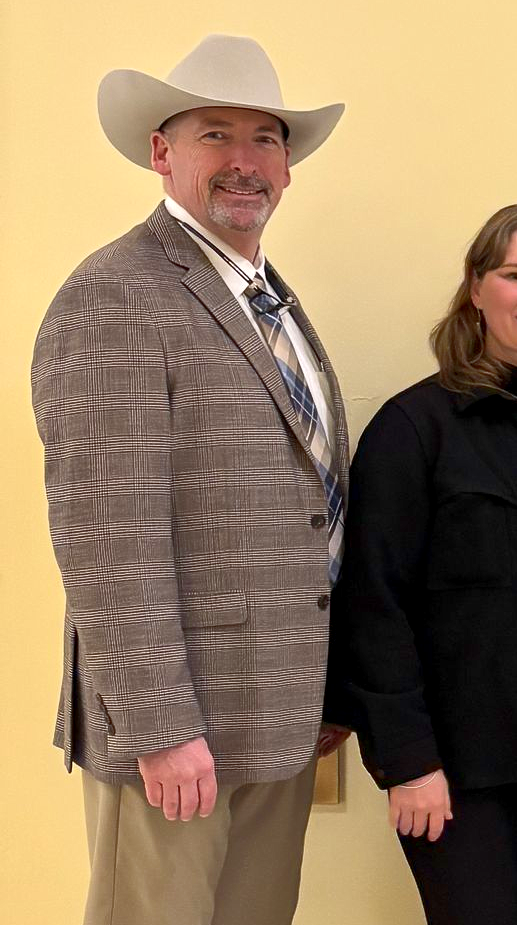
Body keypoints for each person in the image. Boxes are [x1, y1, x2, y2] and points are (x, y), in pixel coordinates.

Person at [30, 34, 349, 925]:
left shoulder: (268, 297)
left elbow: (303, 501)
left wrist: (322, 687)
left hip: (275, 715)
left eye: (266, 138)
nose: (244, 162)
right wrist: (162, 727)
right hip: (177, 733)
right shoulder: (115, 296)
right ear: (162, 153)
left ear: (287, 167)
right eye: (216, 134)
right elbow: (106, 538)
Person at [331, 205, 517, 925]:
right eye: (516, 275)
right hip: (455, 766)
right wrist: (406, 760)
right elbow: (374, 604)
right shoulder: (414, 427)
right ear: (476, 292)